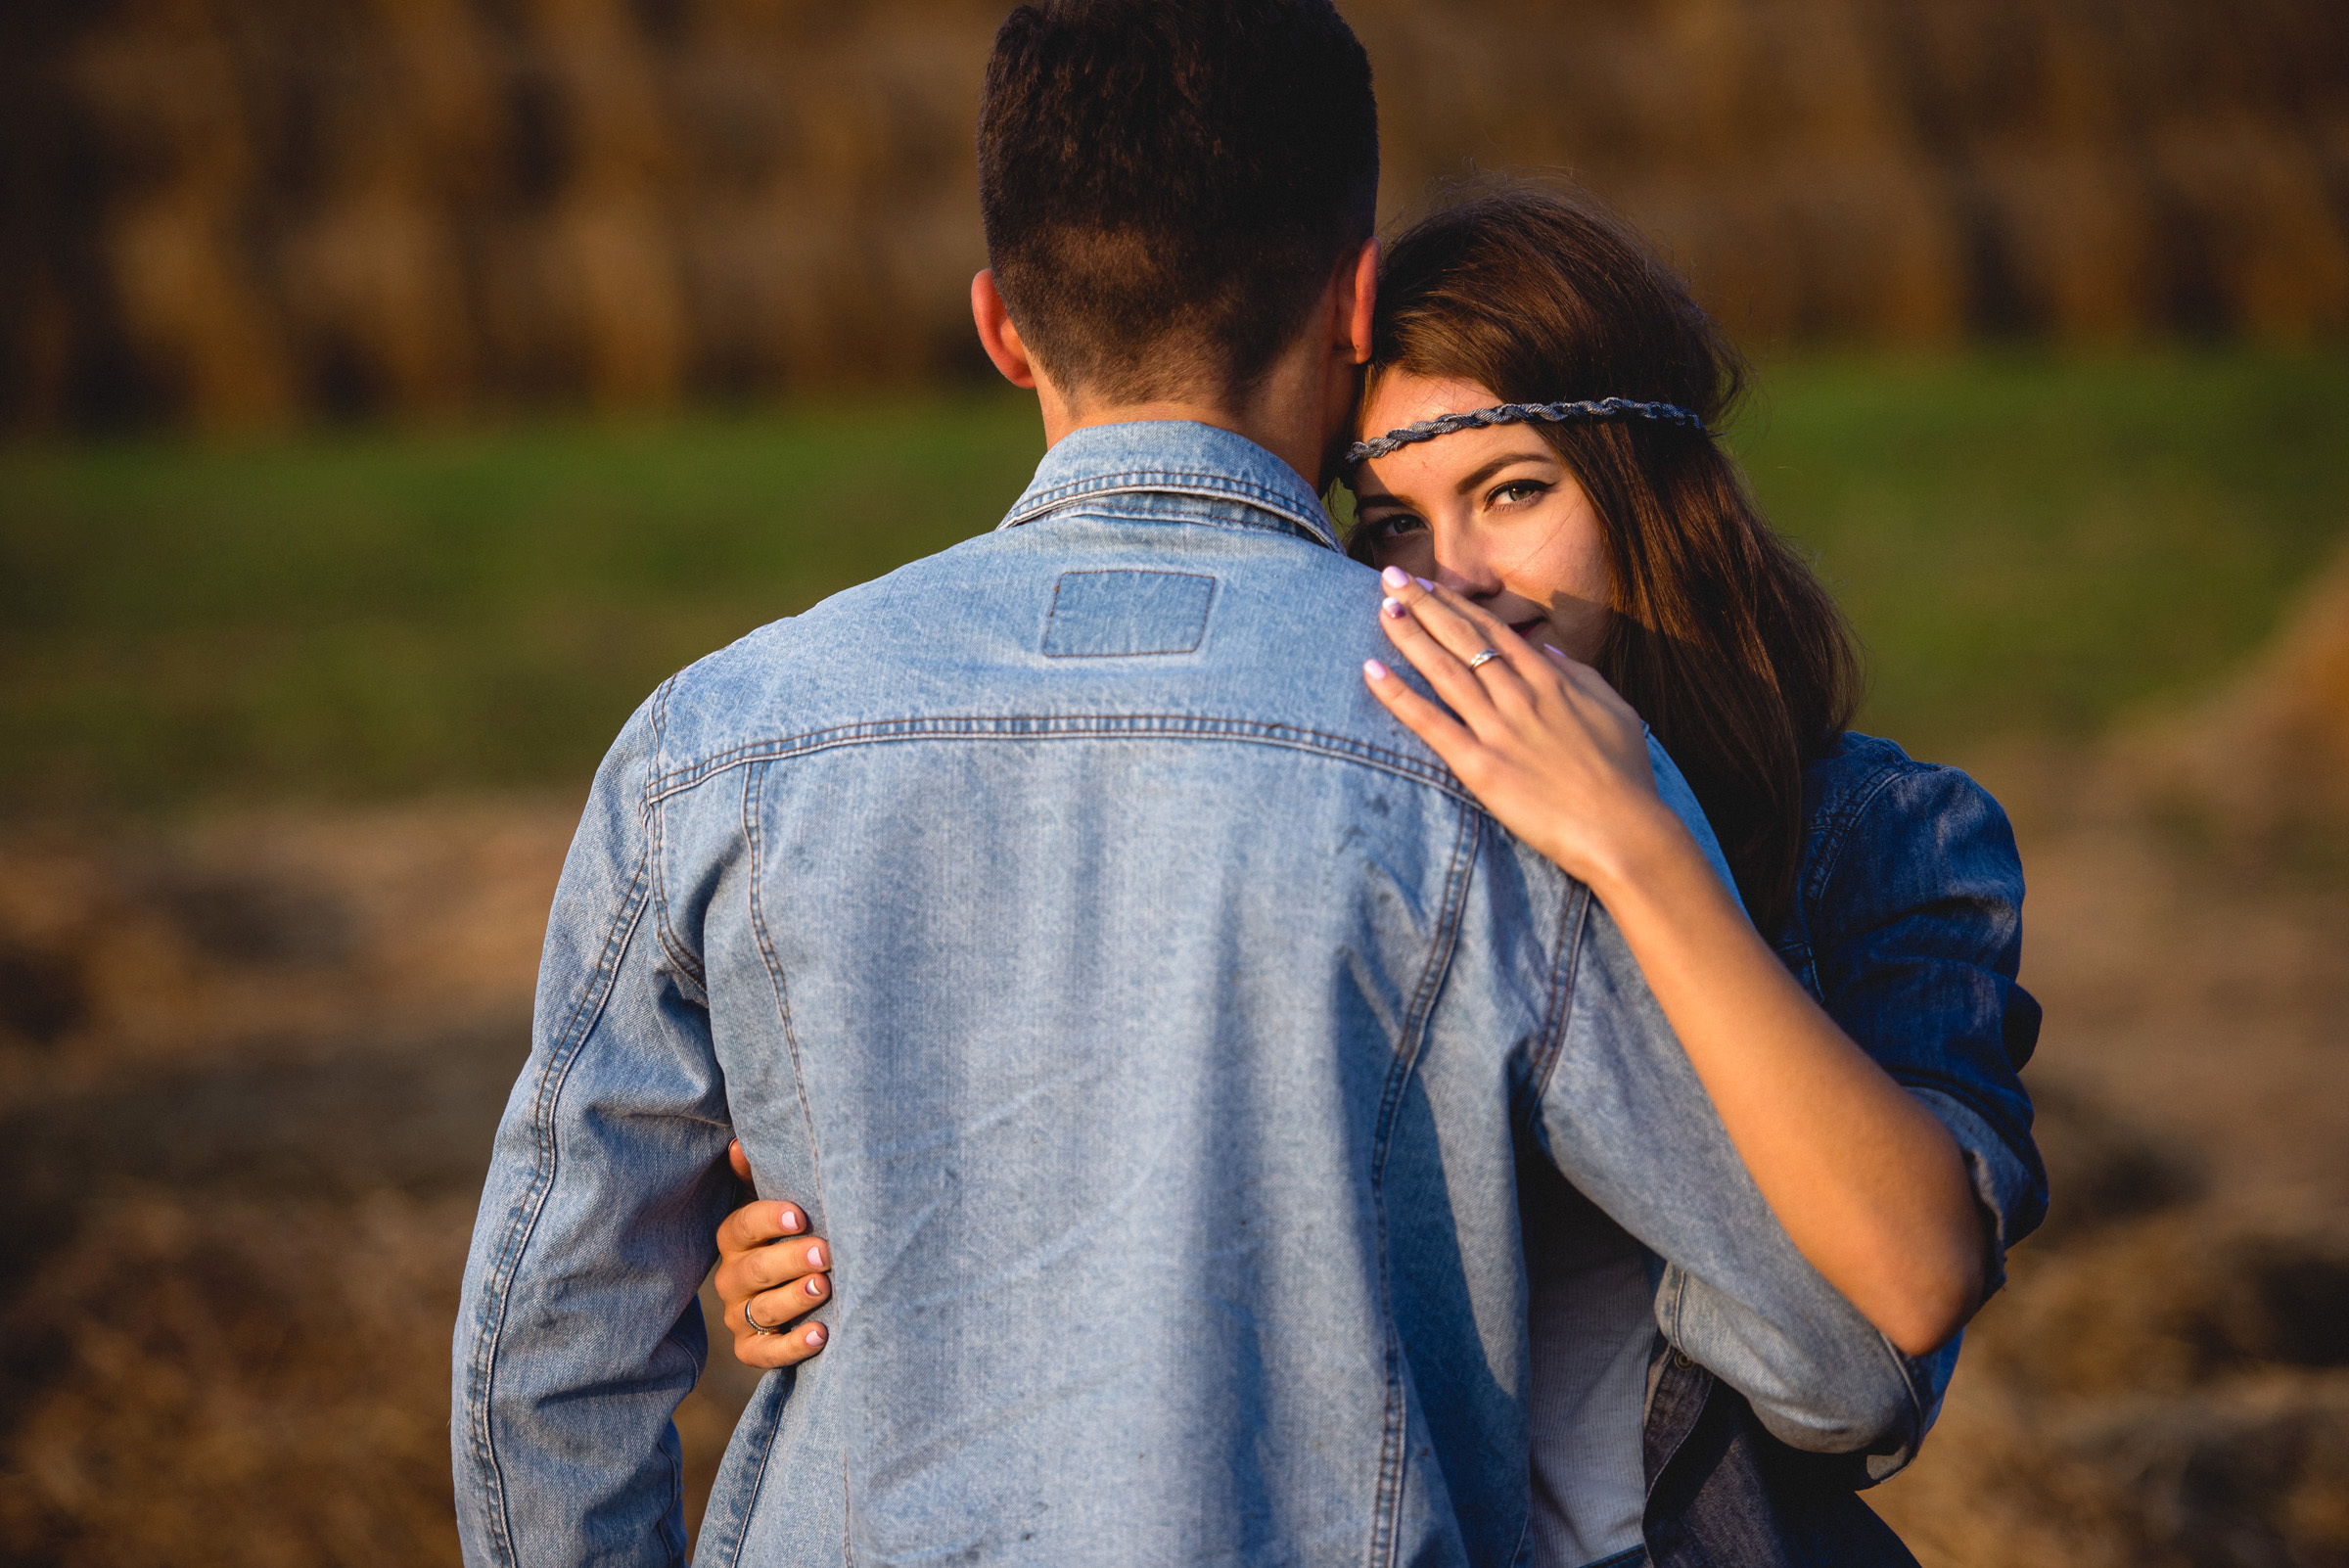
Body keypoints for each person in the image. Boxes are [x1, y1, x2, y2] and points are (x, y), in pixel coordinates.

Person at [453, 4, 1956, 1562]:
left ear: (1000, 326)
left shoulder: (714, 745)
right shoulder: (1500, 747)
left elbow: (547, 1356)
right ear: (1355, 303)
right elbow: (1842, 1359)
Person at [707, 187, 2047, 1568]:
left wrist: (1640, 844)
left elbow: (1911, 1280)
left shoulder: (1882, 833)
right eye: (1391, 523)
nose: (1455, 578)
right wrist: (823, 1254)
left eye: (1513, 491)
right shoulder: (1356, 818)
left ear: (1653, 497)